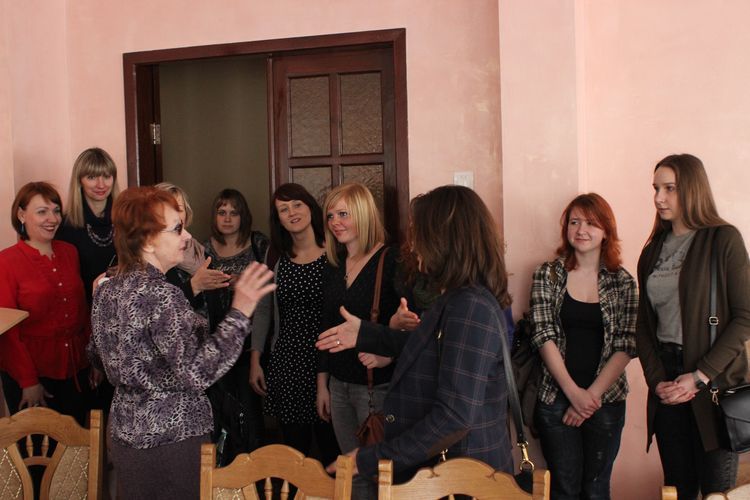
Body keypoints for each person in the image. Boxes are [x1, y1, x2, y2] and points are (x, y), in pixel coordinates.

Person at [317, 185, 514, 484]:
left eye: (418, 233)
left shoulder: (470, 306)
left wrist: (374, 457)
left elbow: (454, 417)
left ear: (444, 239)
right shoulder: (457, 298)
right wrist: (365, 334)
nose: (413, 244)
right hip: (450, 473)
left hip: (464, 477)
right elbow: (429, 347)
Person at [88, 186, 275, 499]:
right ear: (148, 241)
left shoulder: (107, 289)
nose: (187, 237)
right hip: (172, 440)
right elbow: (197, 372)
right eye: (177, 229)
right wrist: (240, 312)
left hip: (124, 435)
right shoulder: (163, 294)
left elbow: (97, 357)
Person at [636, 154, 749, 499]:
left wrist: (700, 376)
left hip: (713, 385)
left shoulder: (723, 239)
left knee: (717, 492)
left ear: (693, 188)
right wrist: (657, 381)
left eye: (669, 188)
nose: (659, 198)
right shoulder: (653, 250)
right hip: (667, 382)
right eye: (656, 188)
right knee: (677, 490)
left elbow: (745, 316)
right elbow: (644, 327)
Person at [529, 193, 637, 500]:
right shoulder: (547, 274)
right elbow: (543, 335)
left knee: (596, 489)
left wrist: (590, 397)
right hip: (555, 396)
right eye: (574, 222)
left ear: (606, 231)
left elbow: (626, 344)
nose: (581, 230)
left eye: (591, 223)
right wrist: (574, 394)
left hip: (606, 399)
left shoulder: (623, 282)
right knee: (563, 489)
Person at [318, 182, 400, 499]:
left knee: (381, 476)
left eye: (343, 214)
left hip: (375, 387)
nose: (335, 222)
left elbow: (413, 326)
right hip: (339, 385)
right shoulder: (334, 264)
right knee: (351, 475)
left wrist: (388, 354)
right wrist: (322, 384)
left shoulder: (390, 261)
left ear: (363, 215)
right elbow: (325, 328)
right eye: (330, 216)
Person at [250, 183, 340, 465]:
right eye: (283, 209)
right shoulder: (275, 256)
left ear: (310, 207)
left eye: (297, 204)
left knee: (331, 448)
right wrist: (256, 359)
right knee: (294, 452)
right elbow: (264, 310)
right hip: (288, 363)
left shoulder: (335, 252)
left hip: (329, 361)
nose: (292, 213)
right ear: (278, 219)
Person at [0, 182, 95, 424]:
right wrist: (28, 381)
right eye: (42, 211)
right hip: (32, 375)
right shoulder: (6, 262)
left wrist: (94, 360)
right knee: (37, 445)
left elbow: (83, 311)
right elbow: (8, 332)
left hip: (76, 370)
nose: (52, 219)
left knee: (76, 443)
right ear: (22, 215)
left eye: (56, 211)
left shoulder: (70, 252)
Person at [203, 188, 270, 463]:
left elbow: (272, 285)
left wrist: (242, 282)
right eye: (222, 212)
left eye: (234, 213)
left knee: (251, 411)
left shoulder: (258, 244)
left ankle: (254, 468)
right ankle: (226, 471)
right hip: (215, 341)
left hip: (251, 341)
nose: (228, 219)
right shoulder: (203, 249)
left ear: (244, 216)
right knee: (221, 410)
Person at [57, 147, 120, 303]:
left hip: (124, 306)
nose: (101, 184)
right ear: (79, 181)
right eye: (92, 177)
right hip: (84, 306)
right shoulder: (66, 227)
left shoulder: (127, 219)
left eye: (107, 176)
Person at [155, 182, 230, 306]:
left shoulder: (199, 251)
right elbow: (159, 307)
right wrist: (194, 286)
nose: (175, 215)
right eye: (169, 209)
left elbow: (218, 301)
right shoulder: (154, 259)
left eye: (179, 209)